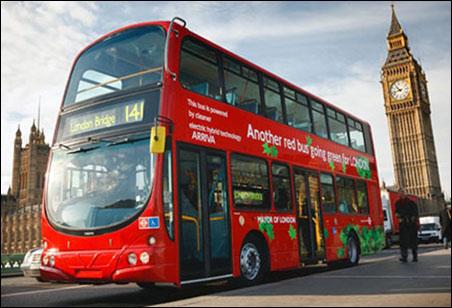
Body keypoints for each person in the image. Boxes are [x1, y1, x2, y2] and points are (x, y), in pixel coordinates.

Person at [395, 189, 419, 263]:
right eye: (400, 193)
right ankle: (404, 257)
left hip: (411, 225)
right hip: (403, 225)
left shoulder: (411, 202)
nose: (401, 194)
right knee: (403, 242)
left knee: (413, 241)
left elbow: (416, 212)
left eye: (402, 193)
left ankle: (415, 256)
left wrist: (413, 218)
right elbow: (396, 212)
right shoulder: (397, 203)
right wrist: (398, 216)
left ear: (405, 193)